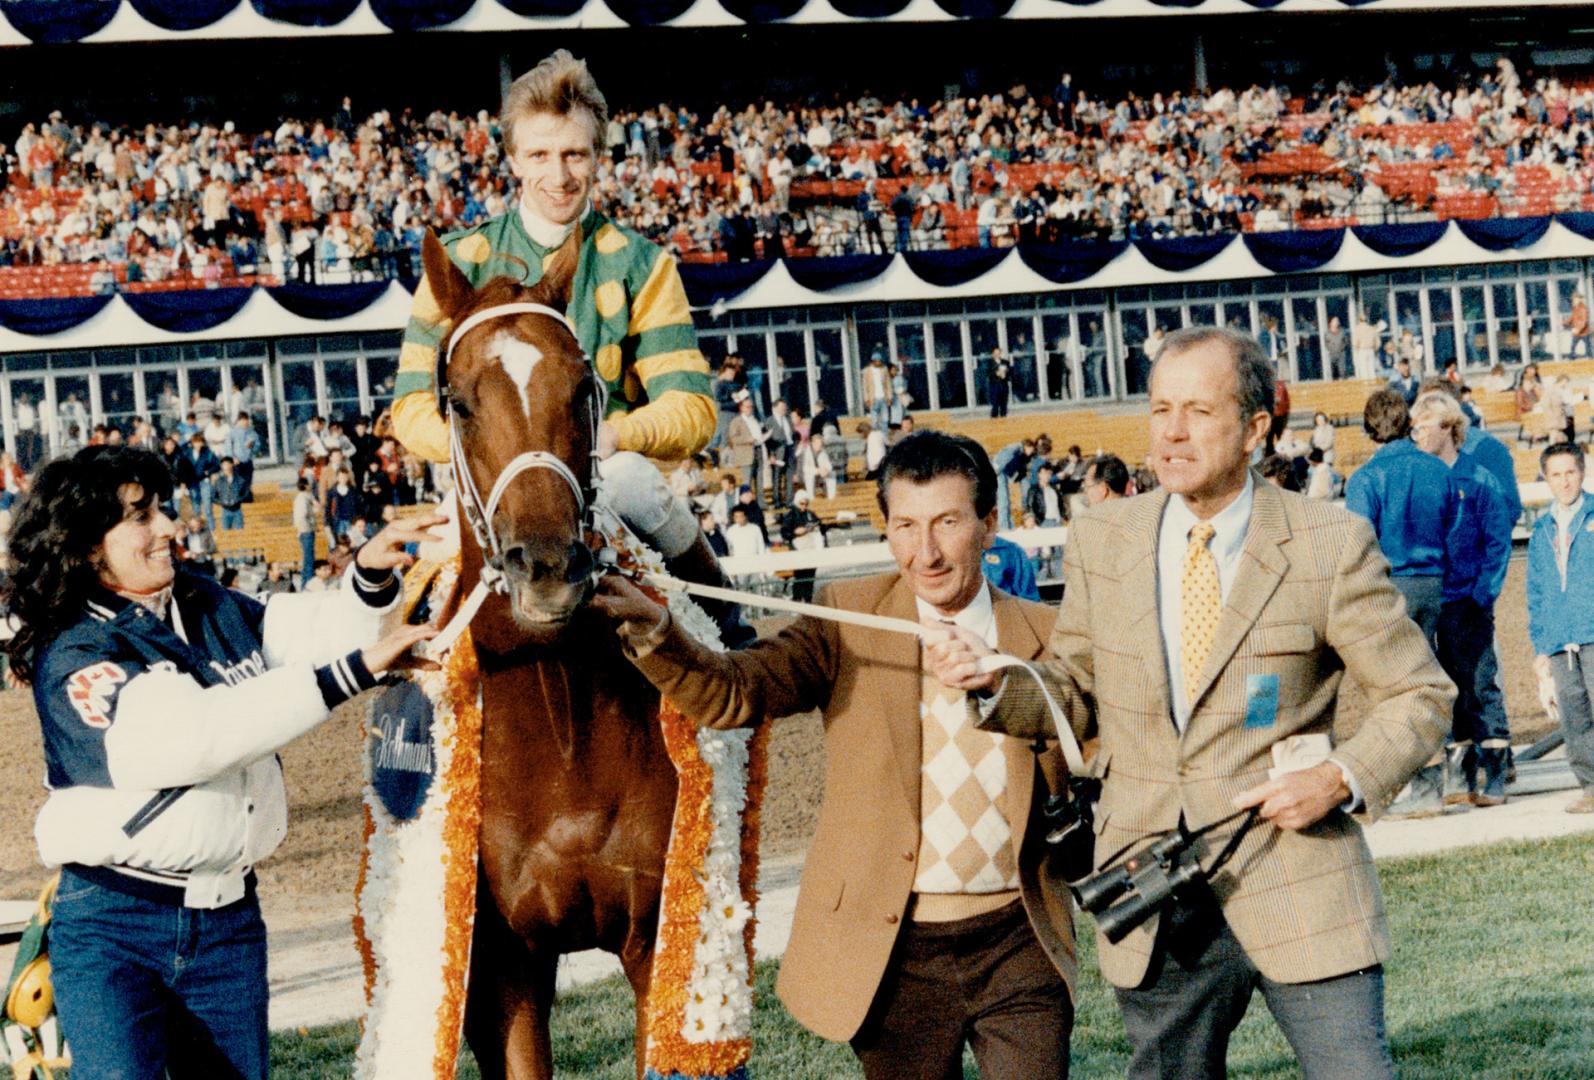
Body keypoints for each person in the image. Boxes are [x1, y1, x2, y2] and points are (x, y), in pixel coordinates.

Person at [926, 326, 1452, 1080]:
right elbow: (1076, 697)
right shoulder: (1103, 537)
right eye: (1160, 409)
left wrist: (1339, 777)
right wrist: (997, 685)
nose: (1171, 432)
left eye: (1199, 412)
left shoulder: (1327, 543)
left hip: (1298, 878)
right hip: (1150, 887)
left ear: (1256, 428)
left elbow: (1420, 692)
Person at [593, 430, 1075, 1079]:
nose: (924, 552)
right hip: (895, 955)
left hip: (1020, 945)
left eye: (947, 523)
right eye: (905, 525)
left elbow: (1098, 740)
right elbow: (734, 693)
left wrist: (1005, 686)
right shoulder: (847, 616)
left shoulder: (1047, 634)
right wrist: (658, 634)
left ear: (990, 524)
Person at [0, 445, 439, 1080]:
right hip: (114, 928)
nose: (169, 527)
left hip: (229, 924)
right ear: (89, 544)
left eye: (163, 510)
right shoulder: (76, 646)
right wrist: (348, 676)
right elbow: (191, 737)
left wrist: (369, 573)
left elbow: (327, 633)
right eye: (141, 515)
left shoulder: (205, 603)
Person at [388, 49, 741, 637]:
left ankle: (726, 629)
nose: (559, 176)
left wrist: (609, 437)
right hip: (493, 488)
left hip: (608, 480)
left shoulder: (644, 264)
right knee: (435, 569)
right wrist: (498, 453)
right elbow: (409, 411)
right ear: (512, 160)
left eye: (575, 154)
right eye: (540, 155)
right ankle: (412, 701)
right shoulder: (455, 261)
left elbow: (695, 411)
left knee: (633, 478)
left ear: (599, 156)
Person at [1410, 391, 1513, 806]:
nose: (1416, 433)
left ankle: (1497, 774)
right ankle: (1461, 773)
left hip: (1468, 602)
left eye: (1424, 425)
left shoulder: (1480, 480)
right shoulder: (1421, 479)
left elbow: (1498, 543)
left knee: (1479, 683)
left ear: (1449, 428)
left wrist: (1482, 595)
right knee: (1446, 687)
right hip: (1435, 601)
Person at [1525, 442, 1594, 815]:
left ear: (1582, 472)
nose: (1564, 481)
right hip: (1559, 639)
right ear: (1546, 479)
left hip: (1593, 631)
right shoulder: (1541, 531)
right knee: (1574, 713)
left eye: (1570, 472)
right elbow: (1536, 591)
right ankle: (1590, 786)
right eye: (1556, 474)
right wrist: (1541, 645)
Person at [291, 477, 319, 587]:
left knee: (310, 558)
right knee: (308, 559)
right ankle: (306, 583)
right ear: (306, 485)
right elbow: (301, 517)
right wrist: (308, 528)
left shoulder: (307, 497)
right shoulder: (302, 499)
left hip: (307, 531)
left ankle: (308, 582)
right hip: (306, 532)